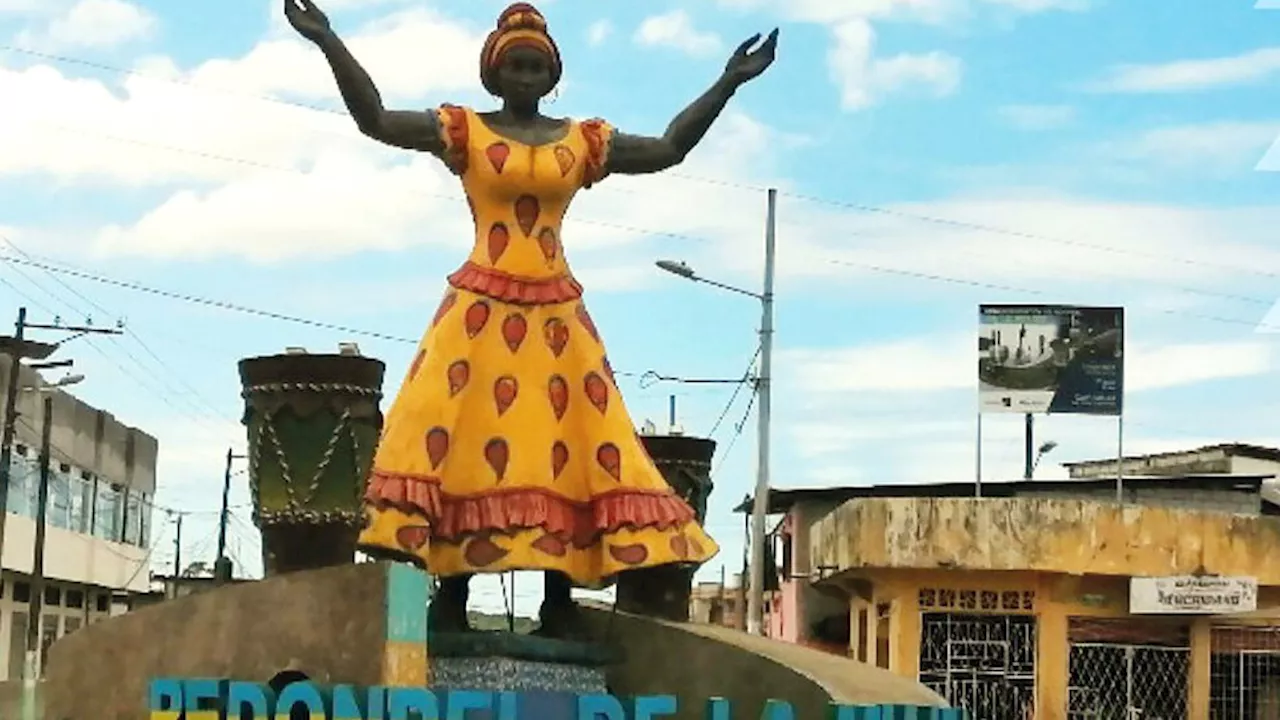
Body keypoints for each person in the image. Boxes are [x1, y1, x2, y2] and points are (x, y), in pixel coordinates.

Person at [283, 0, 779, 638]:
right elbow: (377, 120)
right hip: (478, 313)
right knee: (461, 444)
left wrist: (726, 83)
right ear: (493, 73)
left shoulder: (581, 142)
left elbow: (667, 148)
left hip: (555, 318)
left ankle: (559, 596)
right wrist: (329, 42)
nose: (524, 76)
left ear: (551, 77)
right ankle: (452, 594)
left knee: (564, 447)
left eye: (535, 66)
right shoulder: (464, 131)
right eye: (514, 65)